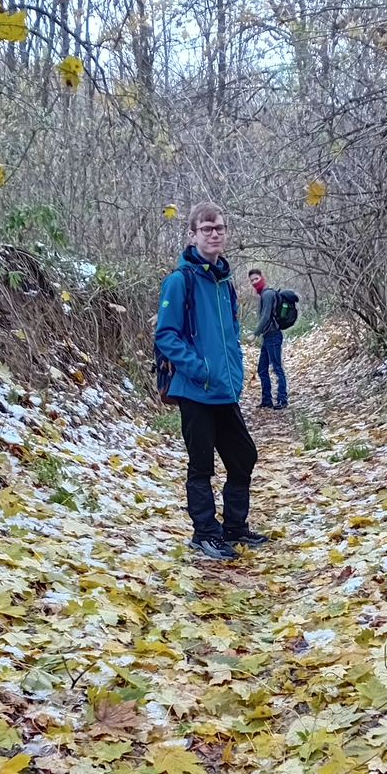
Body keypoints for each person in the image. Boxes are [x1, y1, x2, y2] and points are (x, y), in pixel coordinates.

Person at [155, 201, 268, 560]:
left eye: (219, 228)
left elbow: (229, 333)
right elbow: (166, 335)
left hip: (223, 389)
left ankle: (234, 528)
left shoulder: (225, 282)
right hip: (195, 389)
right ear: (193, 235)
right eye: (206, 229)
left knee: (243, 457)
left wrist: (234, 372)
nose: (214, 234)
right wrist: (200, 369)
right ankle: (204, 533)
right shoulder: (180, 281)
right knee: (201, 465)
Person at [248, 268, 288, 409]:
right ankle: (266, 400)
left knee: (277, 368)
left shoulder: (268, 294)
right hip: (267, 337)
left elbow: (265, 316)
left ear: (262, 278)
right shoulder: (264, 294)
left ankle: (282, 400)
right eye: (252, 280)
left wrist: (255, 333)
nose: (254, 282)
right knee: (262, 369)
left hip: (273, 335)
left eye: (256, 279)